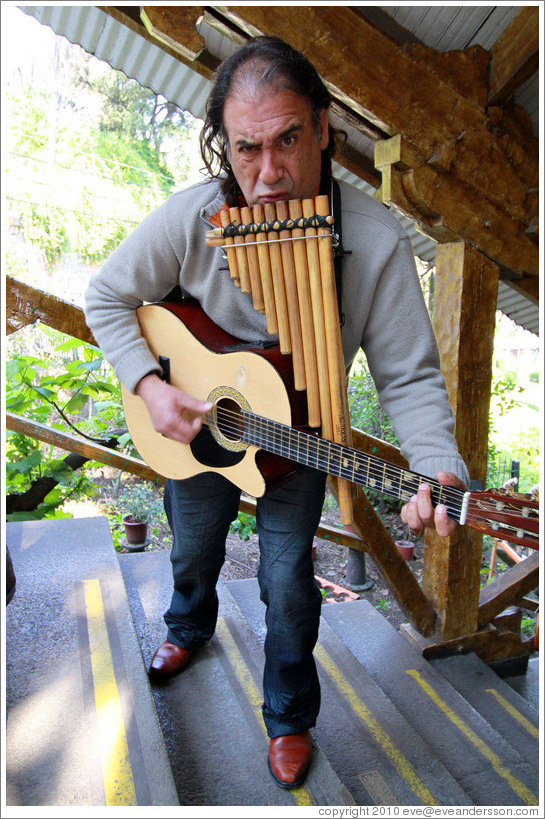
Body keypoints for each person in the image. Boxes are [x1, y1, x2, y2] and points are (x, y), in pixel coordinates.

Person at [85, 36, 469, 790]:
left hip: (295, 442)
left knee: (289, 581)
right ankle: (186, 628)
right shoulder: (194, 215)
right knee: (191, 550)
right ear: (224, 146)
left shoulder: (371, 239)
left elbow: (409, 375)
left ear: (324, 128)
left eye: (288, 139)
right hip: (200, 425)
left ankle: (289, 715)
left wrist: (436, 462)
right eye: (246, 148)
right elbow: (107, 296)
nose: (266, 175)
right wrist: (150, 386)